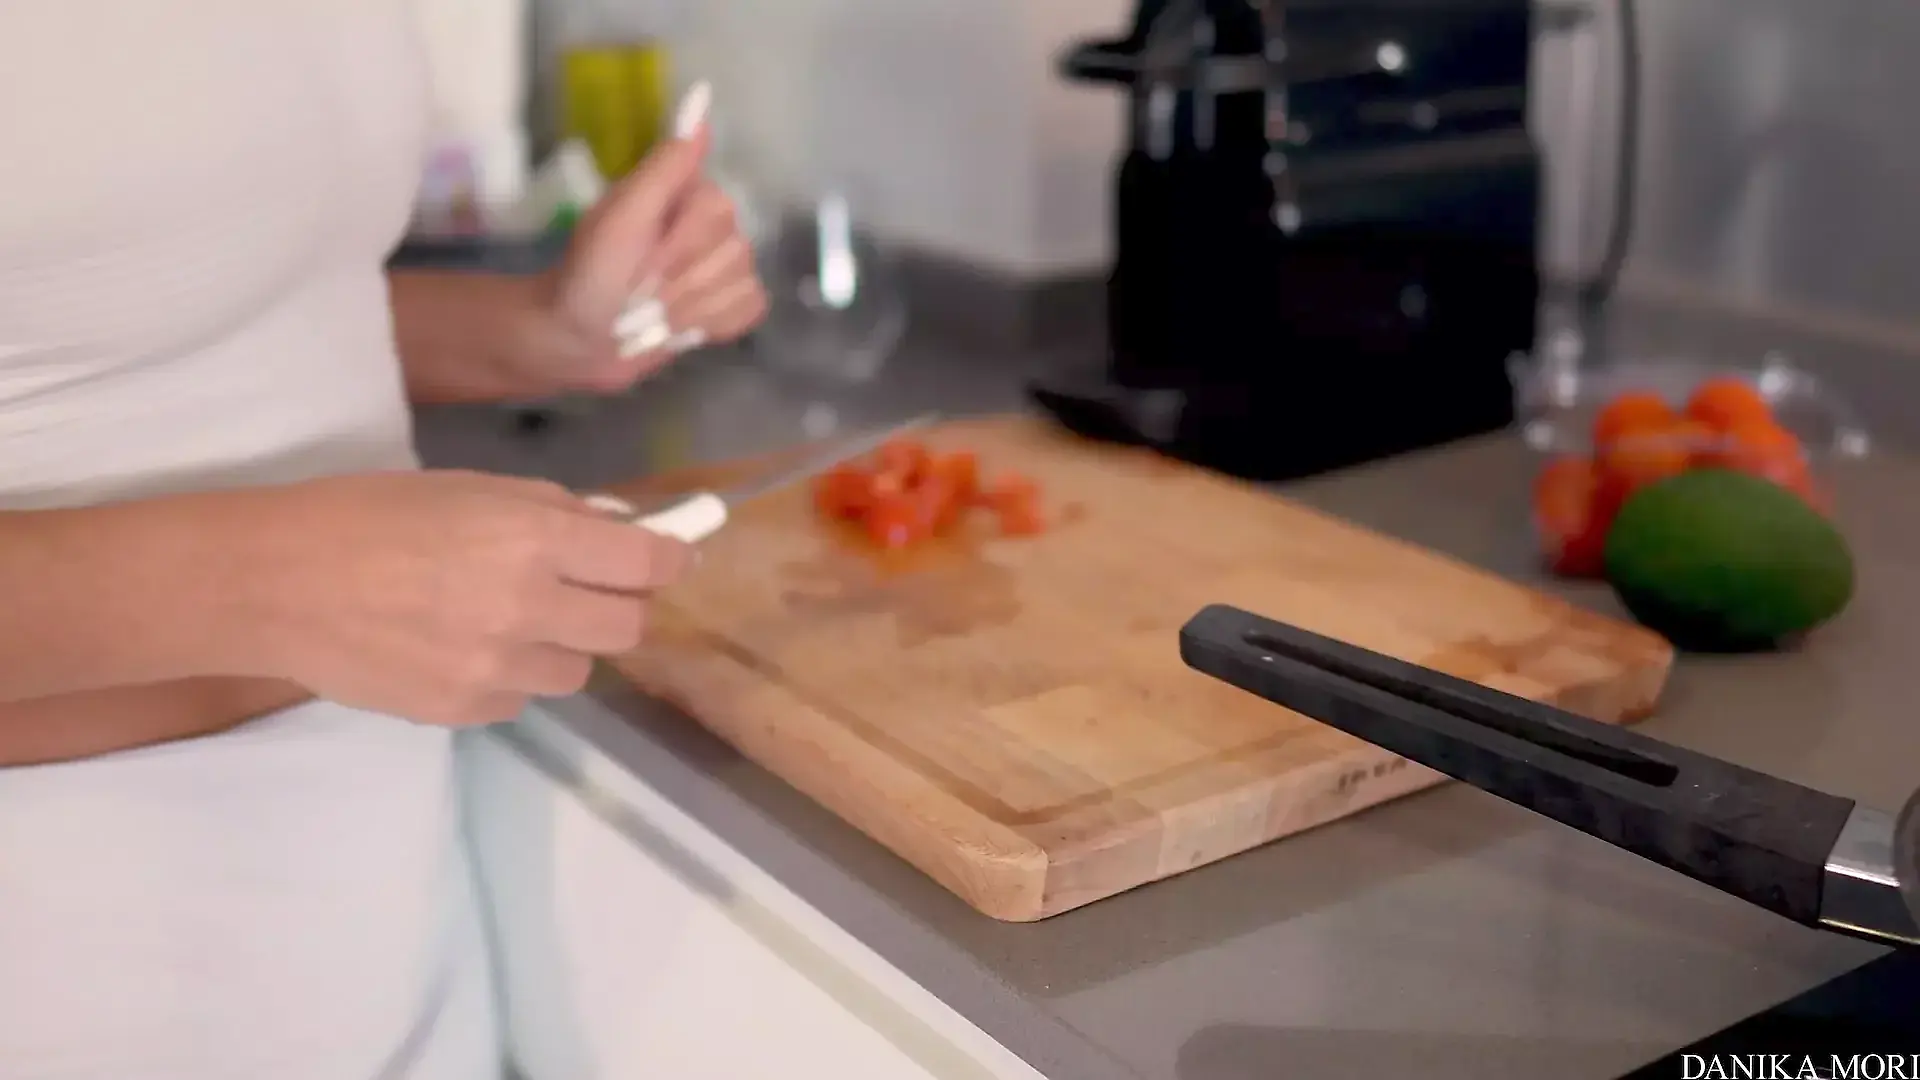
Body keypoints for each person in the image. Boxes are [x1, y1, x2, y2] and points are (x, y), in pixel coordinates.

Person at [0, 4, 767, 1078]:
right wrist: (273, 586)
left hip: (385, 903)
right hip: (68, 961)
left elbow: (207, 308)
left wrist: (537, 331)